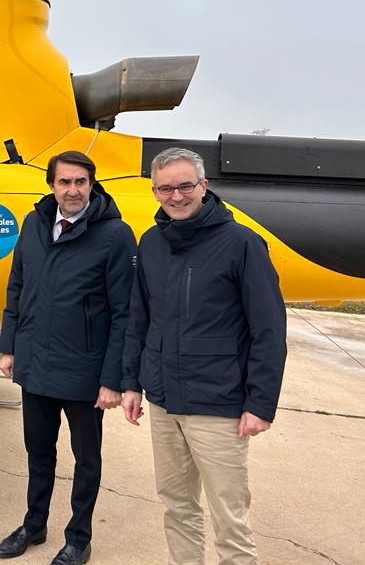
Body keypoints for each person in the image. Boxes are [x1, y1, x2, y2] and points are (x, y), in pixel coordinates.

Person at [120, 147, 286, 565]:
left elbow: (268, 330)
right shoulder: (151, 242)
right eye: (165, 189)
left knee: (230, 519)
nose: (176, 196)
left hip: (218, 405)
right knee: (177, 506)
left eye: (185, 186)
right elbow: (139, 319)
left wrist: (260, 403)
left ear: (204, 185)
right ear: (154, 191)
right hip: (163, 402)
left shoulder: (242, 244)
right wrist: (131, 383)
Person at [0, 150, 136, 565]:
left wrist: (113, 379)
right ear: (52, 185)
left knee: (86, 459)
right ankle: (34, 524)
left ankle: (78, 538)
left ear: (91, 184)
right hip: (36, 363)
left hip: (85, 372)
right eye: (64, 182)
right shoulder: (34, 224)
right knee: (38, 451)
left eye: (80, 182)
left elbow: (125, 312)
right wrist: (9, 345)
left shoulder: (115, 235)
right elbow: (17, 286)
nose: (72, 190)